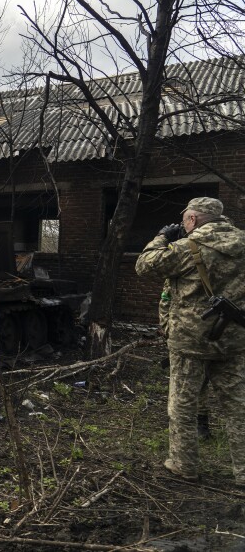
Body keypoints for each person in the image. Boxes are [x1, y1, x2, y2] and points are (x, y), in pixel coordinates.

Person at [135, 197, 245, 483]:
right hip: (234, 339)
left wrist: (161, 237)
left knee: (183, 405)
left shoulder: (187, 248)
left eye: (185, 218)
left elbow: (144, 265)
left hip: (190, 340)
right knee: (238, 407)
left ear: (193, 219)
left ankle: (184, 465)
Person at [160, 281, 212, 439]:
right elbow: (165, 298)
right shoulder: (182, 269)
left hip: (222, 338)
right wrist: (167, 327)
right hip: (187, 339)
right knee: (192, 384)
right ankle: (198, 423)